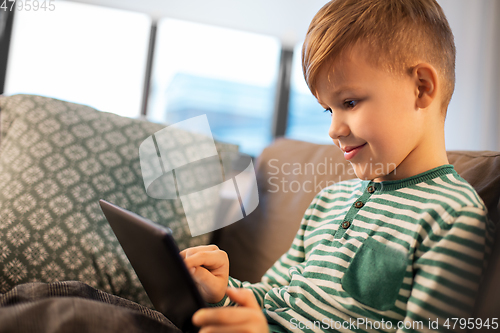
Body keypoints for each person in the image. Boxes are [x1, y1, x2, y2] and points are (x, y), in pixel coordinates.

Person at [182, 0, 493, 332]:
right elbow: (270, 299)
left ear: (421, 87)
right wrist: (221, 292)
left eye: (350, 102)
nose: (334, 130)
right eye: (329, 110)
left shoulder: (452, 216)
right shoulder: (328, 202)